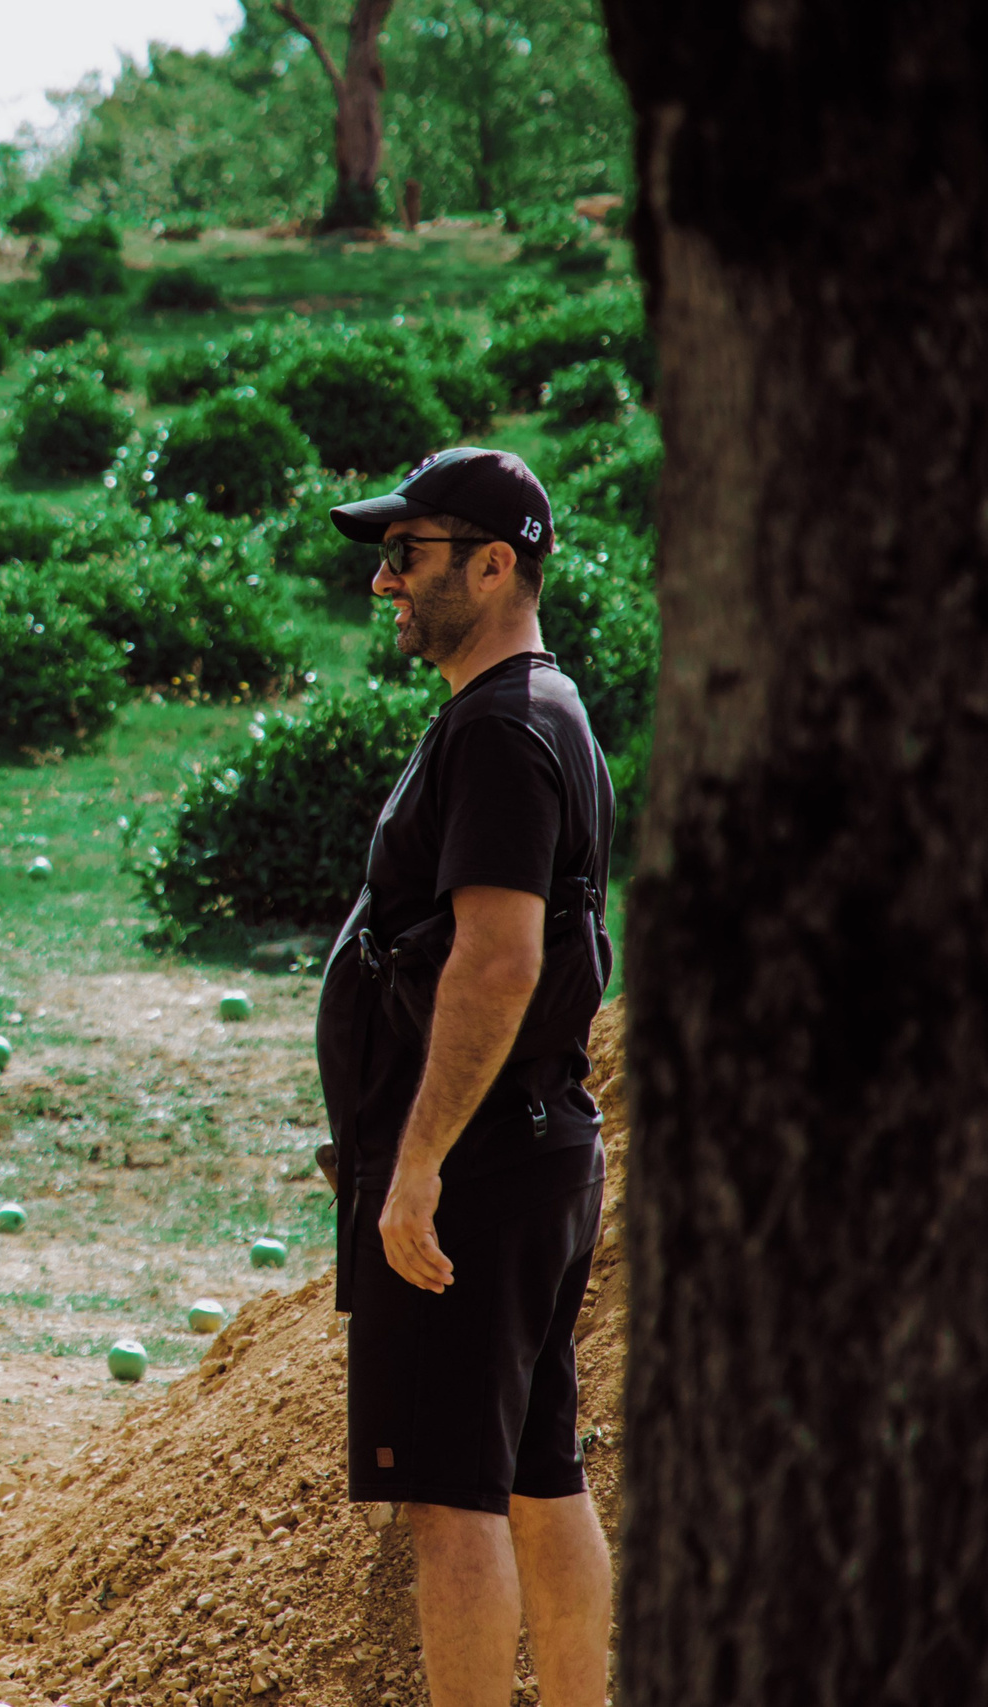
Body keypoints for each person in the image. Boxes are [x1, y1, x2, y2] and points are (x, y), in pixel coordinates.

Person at [314, 448, 616, 1707]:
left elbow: (497, 961)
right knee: (540, 1474)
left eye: (410, 554)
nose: (385, 581)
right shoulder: (537, 710)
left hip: (477, 1162)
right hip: (535, 1144)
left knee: (450, 1505)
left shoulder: (499, 729)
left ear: (498, 563)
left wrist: (419, 1165)